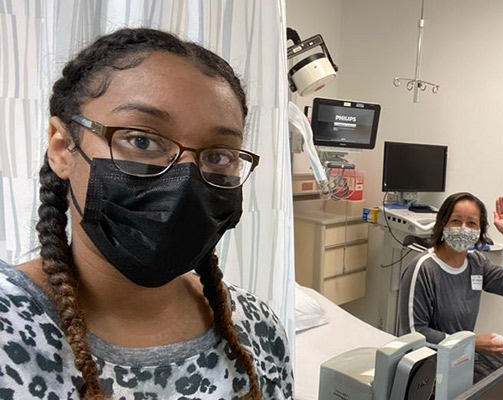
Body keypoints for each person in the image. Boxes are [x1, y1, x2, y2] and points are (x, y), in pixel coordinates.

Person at [0, 28, 293, 399]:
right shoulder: (10, 328)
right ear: (62, 148)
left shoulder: (257, 330)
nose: (184, 181)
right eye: (142, 140)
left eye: (219, 155)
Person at [398, 192, 503, 382]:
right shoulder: (424, 268)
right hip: (428, 370)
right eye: (455, 221)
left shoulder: (476, 263)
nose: (463, 229)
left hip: (461, 359)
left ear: (480, 230)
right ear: (443, 223)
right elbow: (415, 334)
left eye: (471, 223)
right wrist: (472, 343)